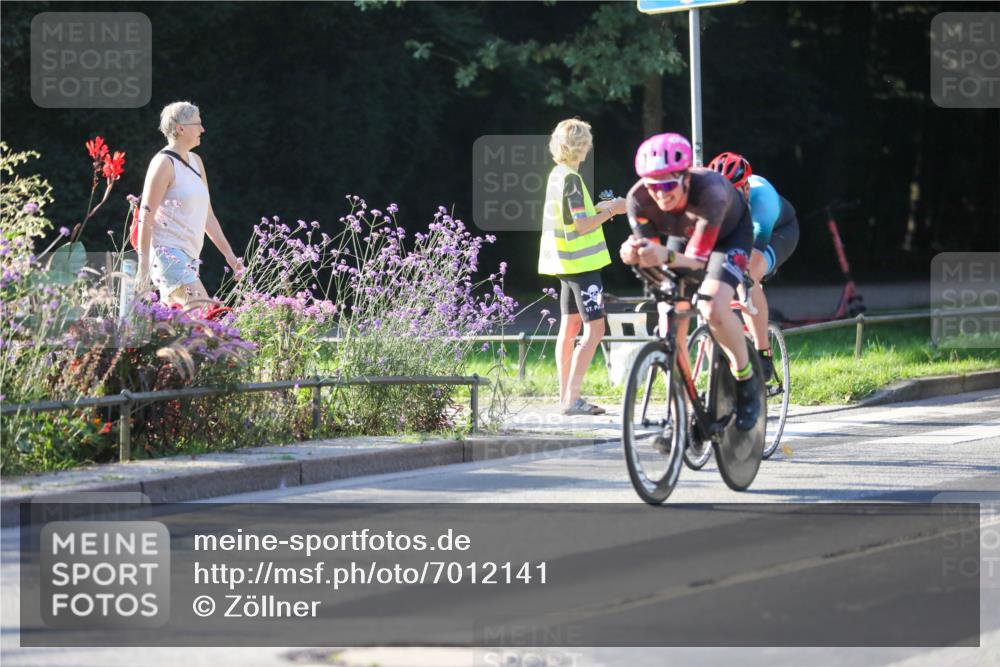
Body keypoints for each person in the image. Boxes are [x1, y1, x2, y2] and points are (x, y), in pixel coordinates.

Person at [619, 133, 760, 431]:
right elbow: (654, 257)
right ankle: (680, 418)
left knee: (713, 307)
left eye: (668, 185)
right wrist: (633, 254)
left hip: (728, 237)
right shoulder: (637, 199)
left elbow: (697, 263)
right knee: (670, 318)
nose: (660, 194)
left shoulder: (711, 192)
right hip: (683, 237)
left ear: (685, 178)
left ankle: (746, 380)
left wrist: (663, 256)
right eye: (653, 185)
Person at [538, 119, 626, 416]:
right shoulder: (572, 180)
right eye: (587, 141)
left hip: (565, 263)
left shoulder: (558, 175)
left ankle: (565, 396)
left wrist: (600, 208)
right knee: (595, 329)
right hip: (583, 265)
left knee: (569, 328)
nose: (589, 146)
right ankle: (573, 398)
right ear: (581, 146)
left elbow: (575, 216)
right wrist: (614, 210)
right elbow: (582, 225)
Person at [136, 101, 243, 307]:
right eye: (198, 124)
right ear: (180, 128)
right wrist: (143, 265)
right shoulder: (164, 163)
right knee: (203, 314)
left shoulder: (196, 161)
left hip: (191, 258)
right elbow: (146, 214)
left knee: (179, 324)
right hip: (168, 255)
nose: (202, 129)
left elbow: (207, 215)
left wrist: (229, 255)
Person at [708, 152, 800, 381]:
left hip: (779, 232)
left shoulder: (763, 201)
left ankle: (763, 353)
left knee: (748, 273)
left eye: (732, 193)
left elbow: (753, 254)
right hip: (739, 232)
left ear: (746, 189)